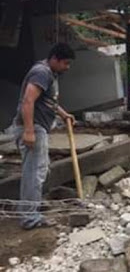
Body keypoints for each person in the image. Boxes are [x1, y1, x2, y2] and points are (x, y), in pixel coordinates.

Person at [12, 43, 76, 229]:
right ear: (54, 59)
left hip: (39, 127)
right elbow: (28, 101)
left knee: (39, 170)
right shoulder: (41, 73)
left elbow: (48, 102)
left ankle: (31, 208)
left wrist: (63, 114)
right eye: (65, 63)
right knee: (33, 173)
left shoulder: (50, 73)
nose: (67, 67)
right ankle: (29, 217)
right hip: (34, 127)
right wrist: (29, 131)